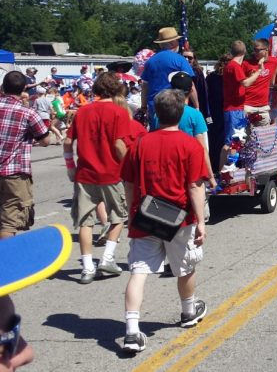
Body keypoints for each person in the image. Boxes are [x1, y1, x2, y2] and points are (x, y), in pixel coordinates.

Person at [120, 89, 210, 354]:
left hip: (146, 215)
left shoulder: (139, 144)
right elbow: (195, 187)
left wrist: (130, 212)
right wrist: (202, 221)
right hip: (180, 217)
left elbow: (128, 183)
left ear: (156, 113)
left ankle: (132, 331)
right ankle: (188, 311)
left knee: (139, 271)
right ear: (181, 113)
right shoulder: (190, 145)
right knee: (186, 267)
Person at [64, 73, 131, 283]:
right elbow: (119, 145)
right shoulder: (118, 112)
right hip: (111, 172)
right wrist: (130, 166)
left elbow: (67, 142)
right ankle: (107, 257)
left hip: (85, 173)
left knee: (85, 221)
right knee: (119, 216)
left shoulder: (82, 111)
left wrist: (70, 166)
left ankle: (86, 267)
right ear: (116, 89)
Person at [0, 72, 51, 241]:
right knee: (9, 221)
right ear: (24, 89)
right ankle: (5, 263)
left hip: (10, 172)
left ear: (3, 87)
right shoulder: (28, 112)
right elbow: (45, 141)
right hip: (12, 172)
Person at [159, 73, 217, 190]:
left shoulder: (158, 114)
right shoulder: (195, 115)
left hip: (164, 168)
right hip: (189, 170)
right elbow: (202, 148)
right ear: (191, 90)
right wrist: (210, 176)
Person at [140, 28, 198, 130]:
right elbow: (189, 84)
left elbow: (145, 86)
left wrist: (144, 107)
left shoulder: (150, 61)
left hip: (155, 108)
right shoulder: (179, 59)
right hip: (175, 108)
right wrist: (197, 105)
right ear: (172, 43)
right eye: (177, 40)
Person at [220, 41, 260, 171]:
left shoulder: (231, 66)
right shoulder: (234, 65)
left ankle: (227, 170)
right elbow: (246, 84)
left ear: (232, 51)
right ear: (244, 52)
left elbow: (240, 82)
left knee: (235, 141)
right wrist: (258, 72)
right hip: (233, 109)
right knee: (231, 142)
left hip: (235, 108)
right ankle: (225, 171)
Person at [240, 38, 277, 125]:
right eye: (254, 49)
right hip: (247, 105)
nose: (254, 52)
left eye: (257, 50)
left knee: (264, 136)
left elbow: (272, 81)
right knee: (244, 135)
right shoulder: (247, 63)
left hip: (263, 106)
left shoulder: (274, 61)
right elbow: (241, 83)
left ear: (266, 50)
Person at [181, 50, 210, 124]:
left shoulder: (196, 72)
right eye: (184, 57)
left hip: (193, 104)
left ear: (194, 60)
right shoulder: (177, 70)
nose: (186, 59)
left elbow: (202, 91)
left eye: (190, 58)